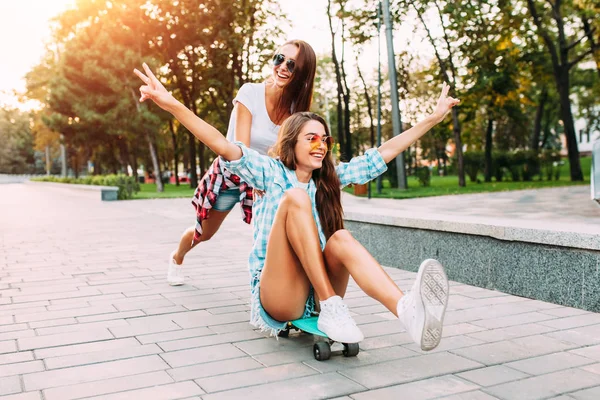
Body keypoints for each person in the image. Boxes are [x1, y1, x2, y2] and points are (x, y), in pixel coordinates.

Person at [135, 61, 459, 351]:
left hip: (313, 299)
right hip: (279, 296)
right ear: (292, 143)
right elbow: (220, 142)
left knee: (341, 238)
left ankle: (407, 311)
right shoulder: (268, 172)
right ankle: (332, 305)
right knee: (295, 198)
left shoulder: (329, 178)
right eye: (311, 139)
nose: (321, 146)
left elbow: (381, 155)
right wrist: (170, 103)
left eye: (324, 140)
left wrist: (432, 118)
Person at [166, 40, 317, 285]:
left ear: (302, 72)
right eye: (279, 59)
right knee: (203, 233)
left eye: (292, 64)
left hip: (265, 176)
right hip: (233, 171)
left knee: (273, 234)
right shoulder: (250, 92)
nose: (283, 67)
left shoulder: (296, 109)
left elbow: (284, 150)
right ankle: (176, 257)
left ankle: (274, 293)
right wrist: (256, 177)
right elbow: (241, 148)